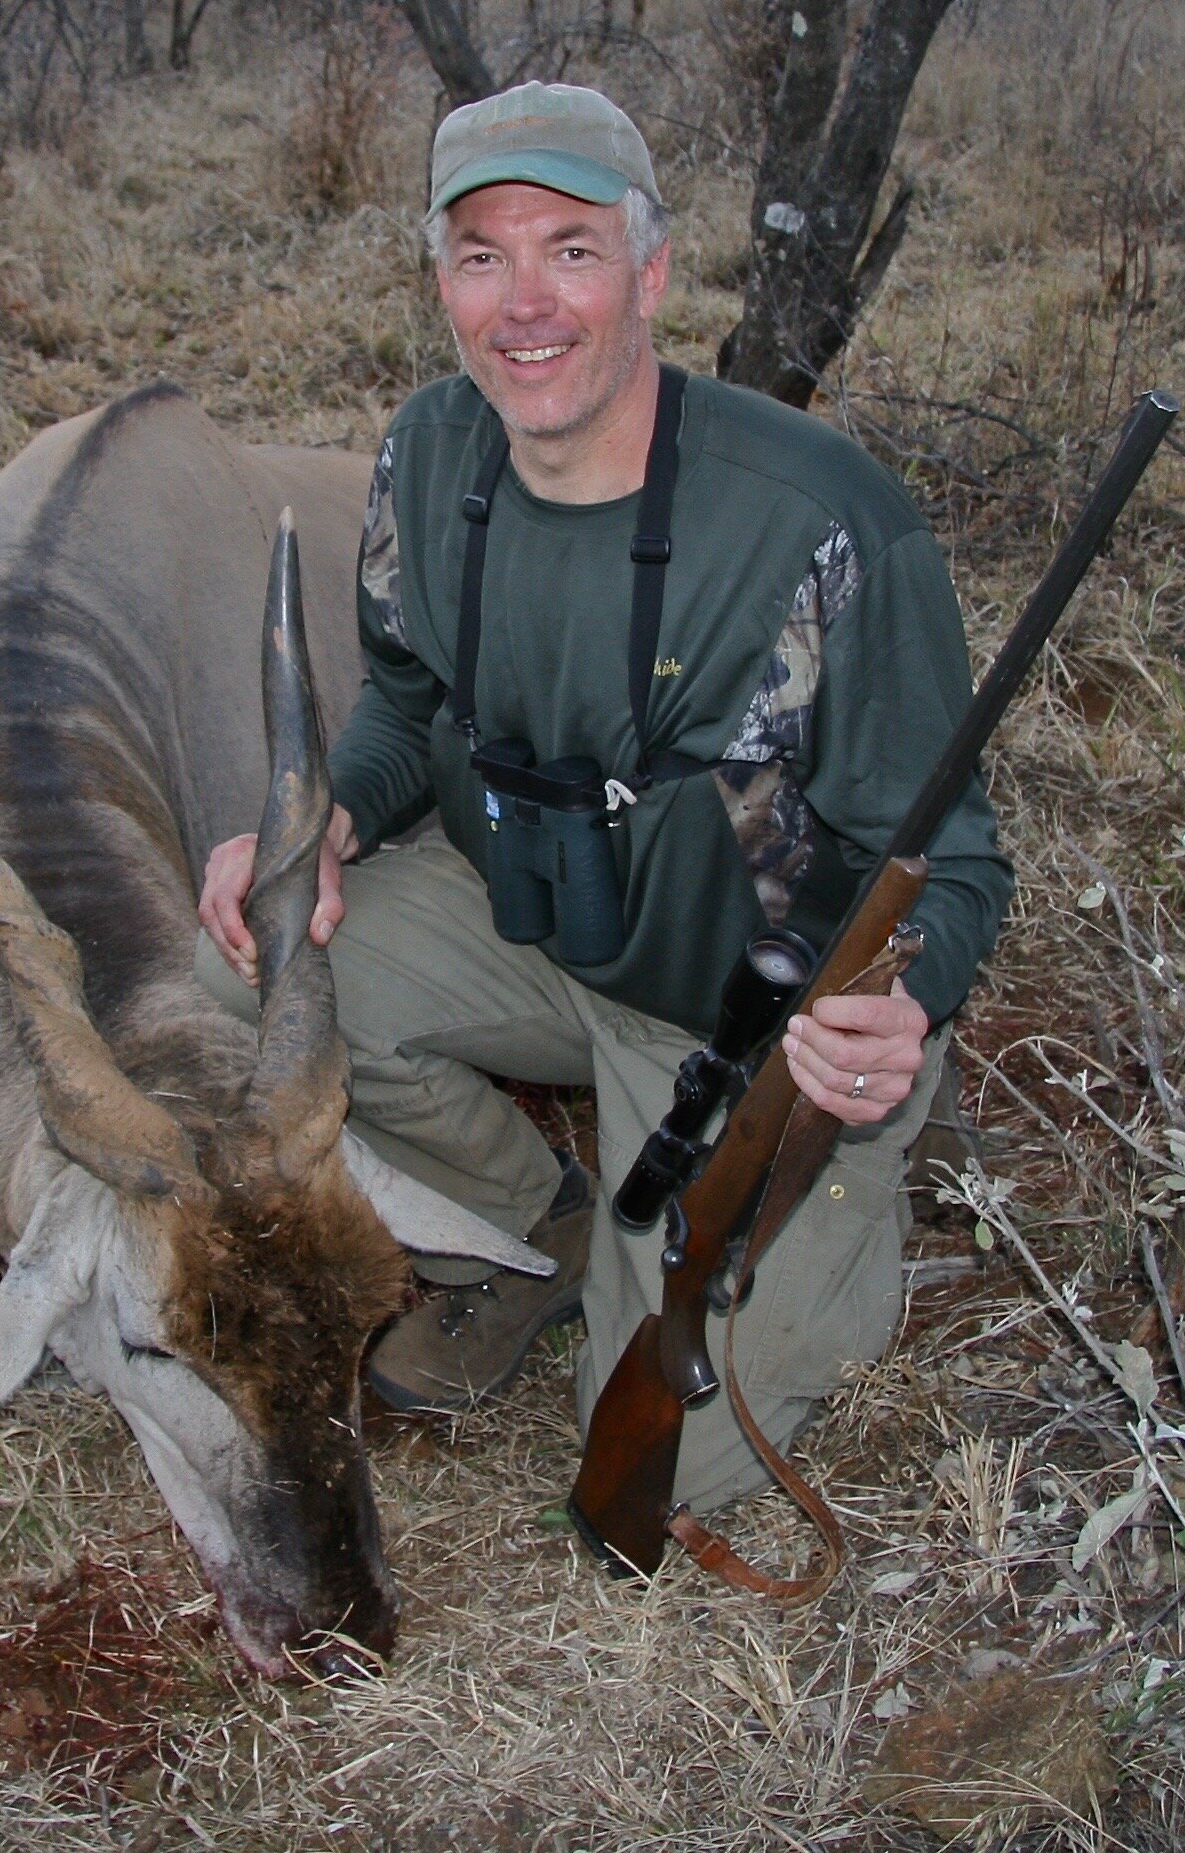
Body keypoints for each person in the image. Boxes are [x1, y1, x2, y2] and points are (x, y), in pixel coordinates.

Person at [194, 81, 1013, 1520]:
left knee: (662, 1478)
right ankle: (541, 1225)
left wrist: (911, 1000)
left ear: (652, 269)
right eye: (480, 255)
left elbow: (949, 860)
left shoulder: (823, 524)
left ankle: (836, 1186)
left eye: (569, 248)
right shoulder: (430, 454)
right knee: (263, 960)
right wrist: (331, 818)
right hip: (538, 925)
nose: (525, 304)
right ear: (438, 279)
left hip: (748, 1015)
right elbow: (404, 697)